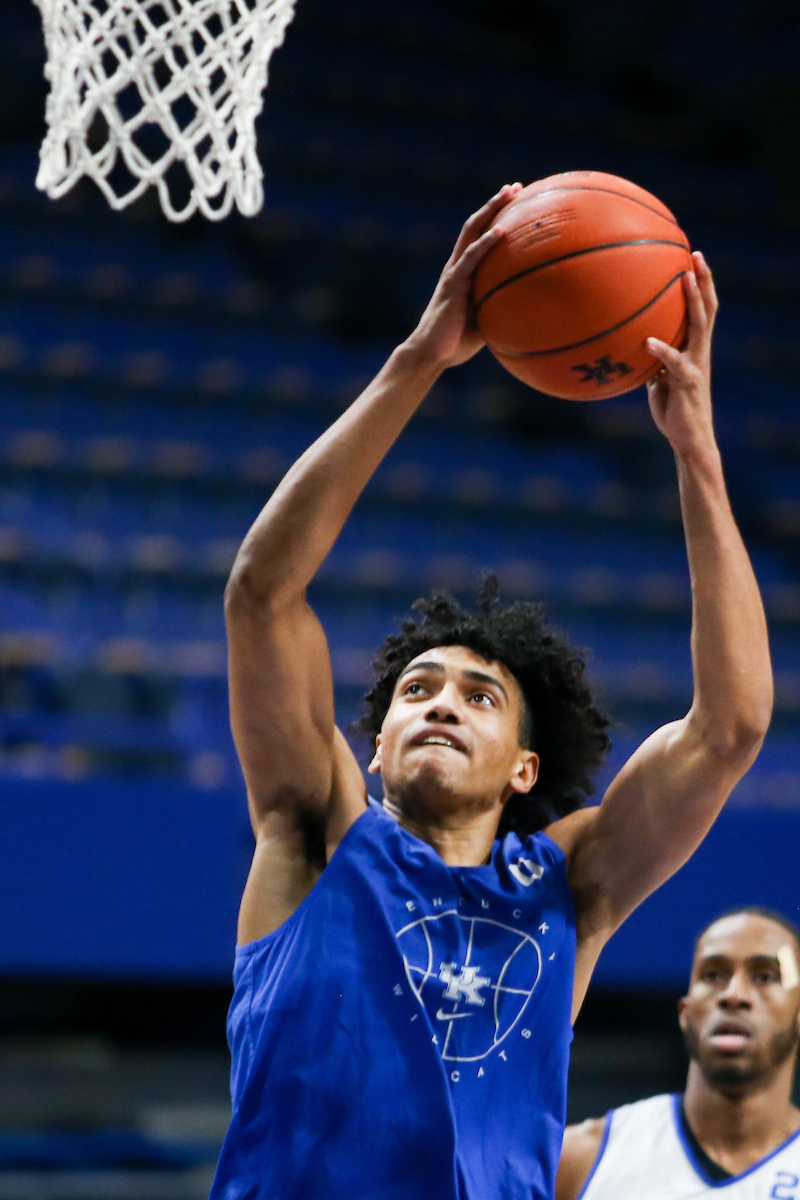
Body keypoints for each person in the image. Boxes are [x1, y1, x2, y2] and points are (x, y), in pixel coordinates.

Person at [209, 183, 773, 1199]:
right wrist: (418, 359)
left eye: (478, 696)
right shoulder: (314, 834)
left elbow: (729, 729)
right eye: (417, 689)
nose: (438, 702)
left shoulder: (569, 889)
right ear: (374, 745)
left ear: (524, 767)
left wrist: (695, 451)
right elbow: (261, 594)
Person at [556, 908, 800, 1200]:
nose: (734, 994)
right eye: (712, 975)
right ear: (685, 1013)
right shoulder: (579, 1161)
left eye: (765, 977)